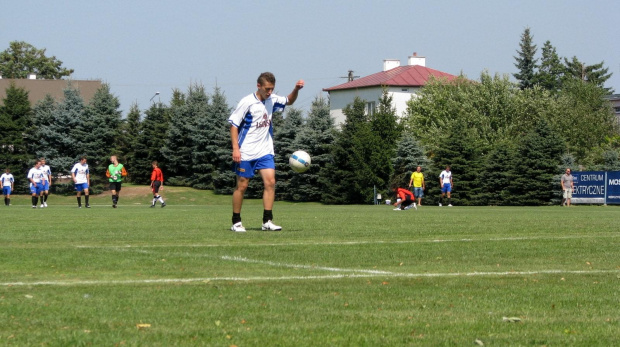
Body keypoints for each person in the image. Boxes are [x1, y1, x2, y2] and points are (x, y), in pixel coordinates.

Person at [227, 72, 304, 232]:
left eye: (272, 89)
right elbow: (234, 125)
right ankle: (236, 222)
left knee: (270, 182)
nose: (269, 92)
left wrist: (296, 89)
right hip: (246, 152)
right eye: (267, 89)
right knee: (242, 186)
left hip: (265, 151)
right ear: (259, 86)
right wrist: (235, 148)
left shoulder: (272, 100)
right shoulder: (247, 102)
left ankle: (267, 221)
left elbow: (289, 100)